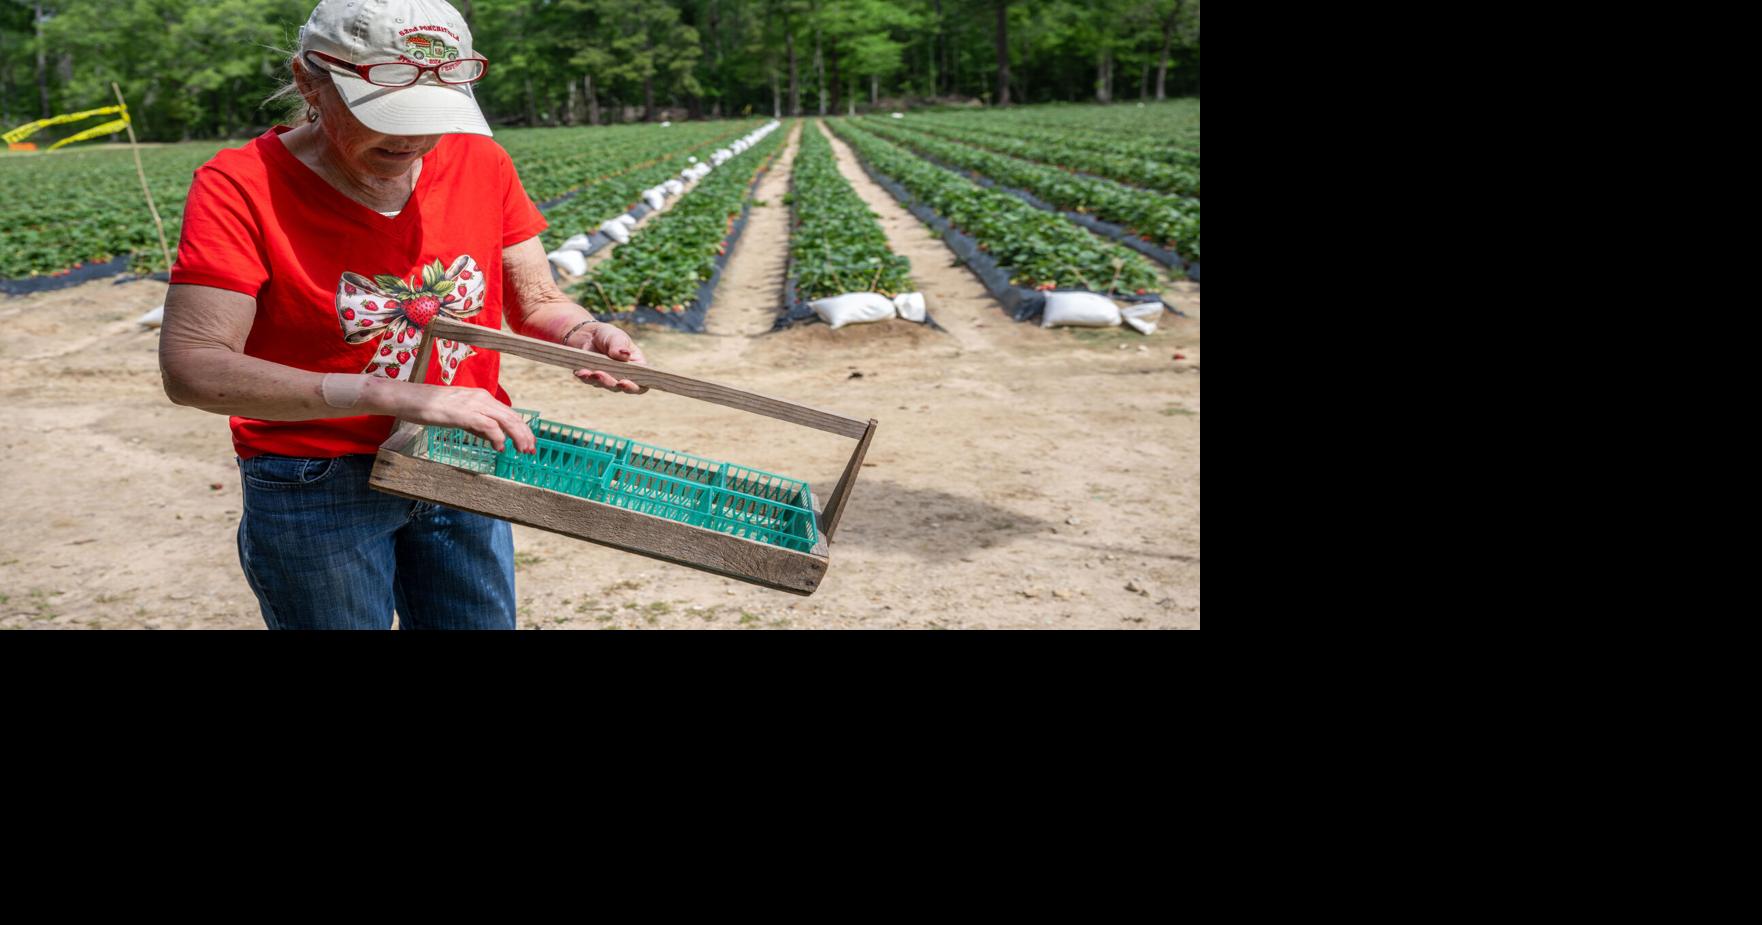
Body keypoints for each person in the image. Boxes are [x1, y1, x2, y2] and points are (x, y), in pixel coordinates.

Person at [158, 0, 646, 630]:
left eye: (434, 117)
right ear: (310, 79)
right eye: (388, 115)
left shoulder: (482, 163)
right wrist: (394, 395)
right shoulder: (241, 185)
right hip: (318, 477)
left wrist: (584, 333)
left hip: (463, 453)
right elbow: (194, 368)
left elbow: (539, 302)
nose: (414, 138)